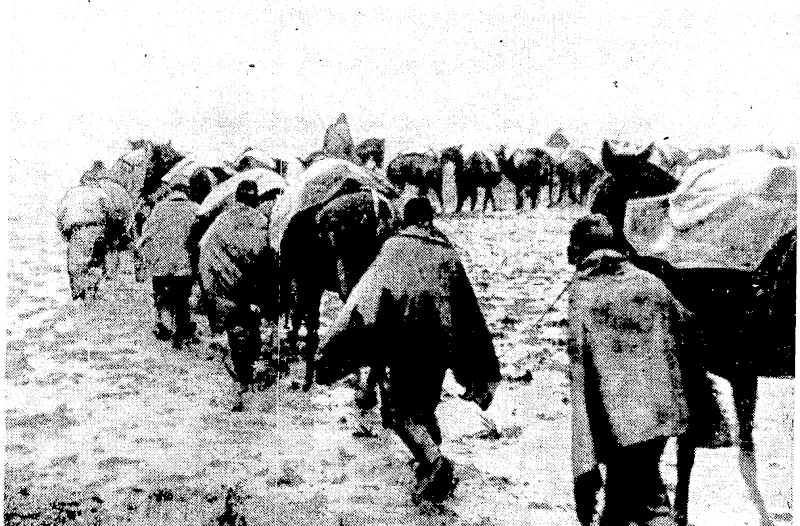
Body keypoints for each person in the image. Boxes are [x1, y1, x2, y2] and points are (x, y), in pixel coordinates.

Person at [315, 196, 501, 504]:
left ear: (405, 219)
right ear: (430, 220)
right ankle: (429, 471)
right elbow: (467, 310)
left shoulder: (392, 248)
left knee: (399, 414)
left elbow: (369, 296)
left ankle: (436, 464)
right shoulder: (447, 254)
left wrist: (337, 344)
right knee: (425, 406)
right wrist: (476, 366)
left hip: (404, 343)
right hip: (439, 345)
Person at [567, 214, 692, 526]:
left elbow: (579, 373)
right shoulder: (651, 282)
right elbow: (688, 325)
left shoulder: (583, 292)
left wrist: (584, 465)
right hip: (663, 416)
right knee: (623, 500)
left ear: (577, 251)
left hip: (616, 421)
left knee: (646, 501)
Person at [198, 180, 277, 410]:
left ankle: (241, 381)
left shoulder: (220, 221)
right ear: (255, 199)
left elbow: (205, 251)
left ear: (236, 198)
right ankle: (247, 377)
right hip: (251, 292)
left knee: (237, 334)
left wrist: (210, 294)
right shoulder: (263, 223)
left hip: (226, 291)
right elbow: (270, 259)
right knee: (251, 334)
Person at [135, 178, 199, 348]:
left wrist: (145, 258)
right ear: (186, 191)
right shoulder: (195, 208)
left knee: (162, 298)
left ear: (171, 191)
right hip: (184, 264)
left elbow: (146, 235)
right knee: (182, 299)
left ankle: (165, 328)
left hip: (161, 264)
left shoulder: (159, 208)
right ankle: (182, 332)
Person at [56, 178, 112, 301]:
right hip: (98, 232)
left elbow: (60, 217)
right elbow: (111, 214)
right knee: (95, 266)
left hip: (78, 232)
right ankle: (93, 296)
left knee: (75, 271)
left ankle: (79, 301)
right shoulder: (100, 193)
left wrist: (66, 236)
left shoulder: (71, 193)